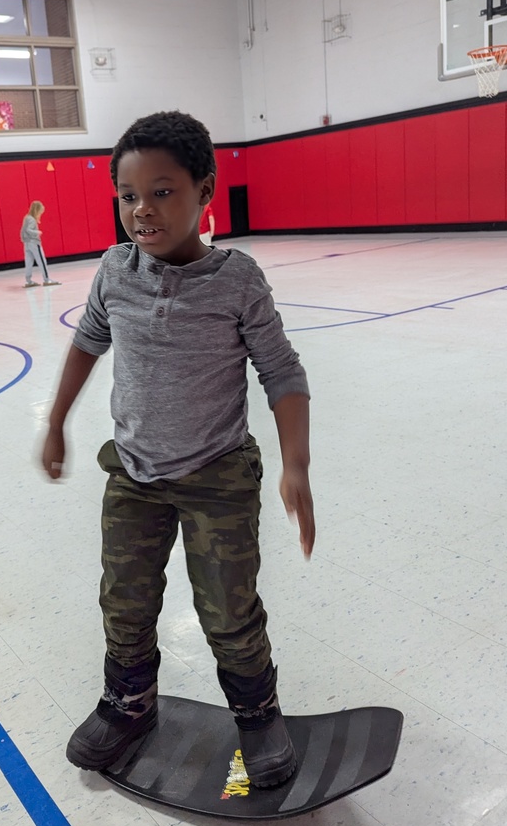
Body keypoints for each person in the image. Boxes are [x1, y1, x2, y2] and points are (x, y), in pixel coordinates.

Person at [41, 111, 315, 789]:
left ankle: (256, 714)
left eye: (162, 191)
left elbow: (281, 372)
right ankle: (128, 704)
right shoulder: (114, 270)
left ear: (205, 190)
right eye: (128, 195)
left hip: (217, 474)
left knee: (227, 608)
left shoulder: (236, 280)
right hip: (132, 473)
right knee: (124, 601)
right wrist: (55, 422)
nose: (142, 210)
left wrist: (296, 468)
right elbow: (86, 343)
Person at [20, 201, 60, 287]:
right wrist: (37, 232)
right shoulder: (32, 219)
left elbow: (23, 230)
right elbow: (28, 230)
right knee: (42, 261)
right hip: (34, 243)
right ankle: (47, 279)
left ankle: (28, 280)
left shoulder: (26, 217)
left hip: (26, 244)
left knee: (29, 262)